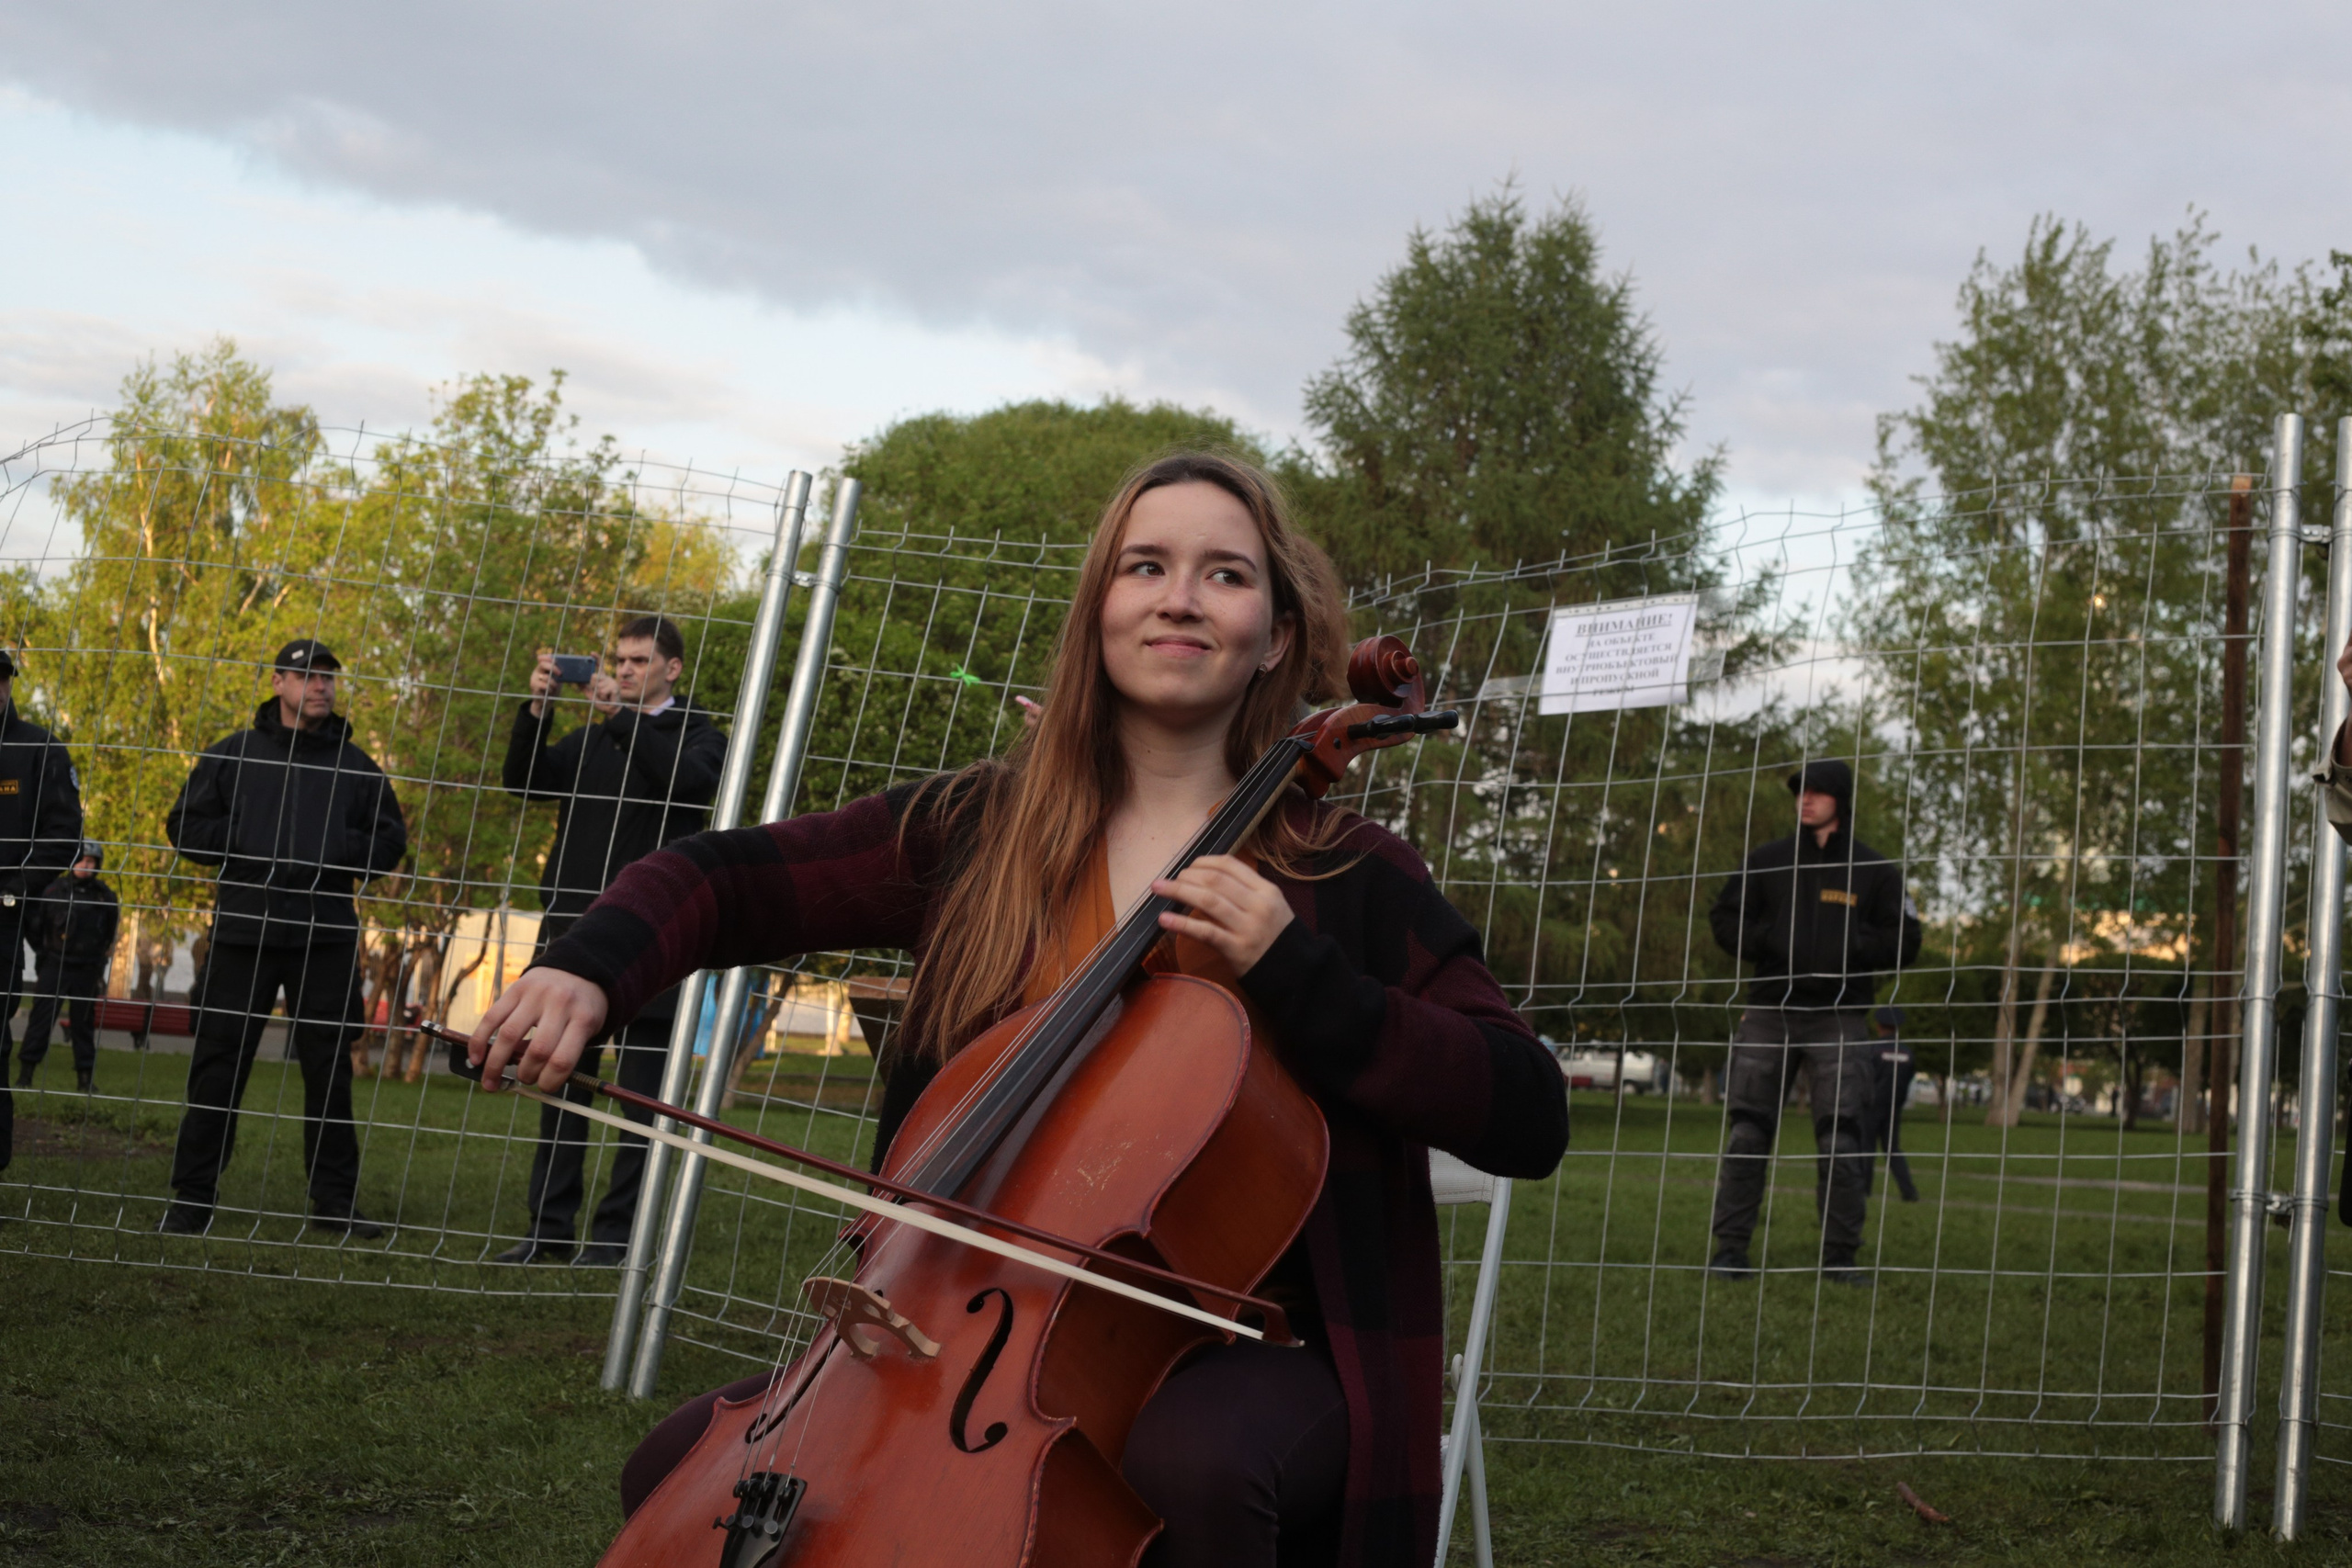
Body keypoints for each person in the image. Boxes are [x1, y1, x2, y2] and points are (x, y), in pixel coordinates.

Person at [469, 454, 1569, 1568]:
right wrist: (588, 969)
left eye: (1224, 574)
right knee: (679, 1471)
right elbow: (726, 879)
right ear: (1100, 607)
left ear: (1276, 634)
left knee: (1196, 1471)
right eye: (1145, 566)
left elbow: (1525, 1110)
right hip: (956, 1327)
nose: (1179, 596)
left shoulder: (1348, 874)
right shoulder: (979, 831)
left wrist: (1301, 975)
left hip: (1251, 1346)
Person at [494, 615, 726, 1266]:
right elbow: (526, 781)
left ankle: (617, 1235)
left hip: (655, 937)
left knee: (640, 1100)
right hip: (572, 932)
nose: (623, 670)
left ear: (672, 668)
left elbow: (683, 782)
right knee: (560, 1083)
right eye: (617, 661)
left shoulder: (700, 735)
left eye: (638, 660)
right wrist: (537, 708)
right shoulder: (592, 739)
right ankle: (548, 1231)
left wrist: (619, 719)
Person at [158, 638, 407, 1237]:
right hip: (244, 931)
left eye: (328, 677)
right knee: (218, 1066)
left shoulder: (357, 767)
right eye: (307, 675)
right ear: (277, 682)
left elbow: (389, 837)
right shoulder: (234, 755)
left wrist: (334, 853)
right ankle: (192, 1198)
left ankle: (334, 1203)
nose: (320, 686)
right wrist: (243, 840)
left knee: (329, 1072)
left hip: (324, 936)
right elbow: (183, 823)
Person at [1704, 759, 1920, 1286]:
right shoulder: (1767, 861)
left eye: (1817, 792)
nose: (1805, 799)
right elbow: (1724, 918)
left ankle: (1840, 1257)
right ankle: (1730, 1251)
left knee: (1844, 1139)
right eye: (1800, 791)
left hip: (1840, 1019)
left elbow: (1907, 939)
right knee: (1747, 1135)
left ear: (1840, 801)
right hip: (1769, 1014)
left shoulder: (1875, 871)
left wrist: (1848, 948)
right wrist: (1772, 942)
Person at [0, 649, 87, 1173]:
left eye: (1, 677)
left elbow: (63, 837)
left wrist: (13, 887)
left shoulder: (39, 750)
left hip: (2, 921)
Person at [17, 840, 119, 1093]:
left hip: (86, 969)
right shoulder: (54, 890)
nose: (84, 865)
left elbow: (109, 933)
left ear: (97, 865)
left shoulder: (104, 896)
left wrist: (99, 965)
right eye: (80, 860)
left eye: (90, 861)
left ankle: (85, 1080)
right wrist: (44, 956)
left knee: (83, 1025)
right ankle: (25, 1074)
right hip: (55, 965)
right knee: (41, 1021)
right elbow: (36, 927)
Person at [1865, 1003, 1919, 1203]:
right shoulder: (1907, 1053)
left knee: (1866, 1148)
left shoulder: (1873, 1049)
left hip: (1871, 1106)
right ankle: (1909, 1192)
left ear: (1879, 1026)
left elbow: (1866, 1077)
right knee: (1893, 1149)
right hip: (1894, 1107)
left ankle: (1864, 1189)